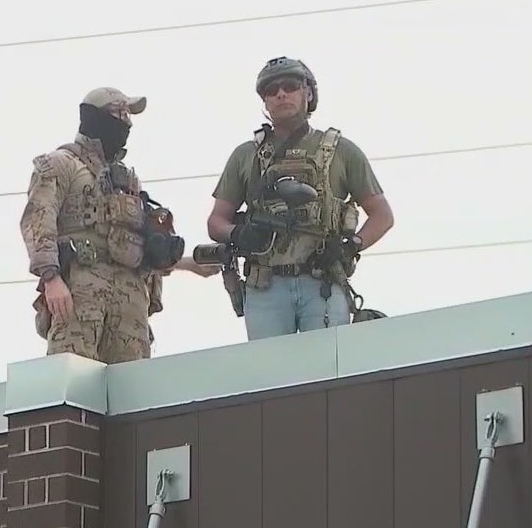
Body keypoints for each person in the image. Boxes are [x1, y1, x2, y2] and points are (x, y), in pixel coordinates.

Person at [20, 87, 216, 363]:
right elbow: (38, 220)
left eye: (128, 115)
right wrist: (51, 278)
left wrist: (187, 264)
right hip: (81, 288)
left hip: (130, 298)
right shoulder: (60, 164)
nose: (126, 122)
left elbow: (137, 244)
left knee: (133, 381)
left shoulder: (126, 180)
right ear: (95, 117)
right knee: (73, 373)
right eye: (119, 113)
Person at [205, 56, 395, 340]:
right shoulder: (246, 155)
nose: (281, 94)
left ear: (308, 92)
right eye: (271, 90)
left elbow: (382, 215)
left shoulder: (341, 151)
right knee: (269, 366)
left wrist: (349, 247)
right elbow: (216, 221)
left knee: (326, 364)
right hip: (265, 285)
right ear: (264, 100)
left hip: (322, 282)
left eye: (290, 86)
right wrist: (240, 234)